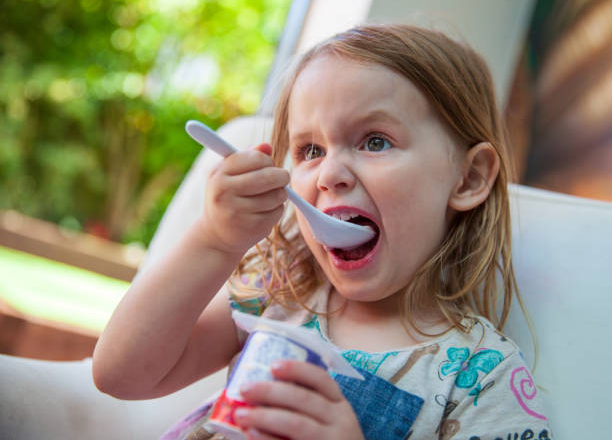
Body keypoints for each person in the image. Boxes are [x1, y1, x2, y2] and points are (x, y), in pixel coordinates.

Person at [93, 24, 552, 440]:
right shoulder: (280, 293)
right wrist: (214, 240)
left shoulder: (480, 377)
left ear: (469, 178)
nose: (329, 173)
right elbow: (121, 373)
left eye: (375, 141)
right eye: (310, 149)